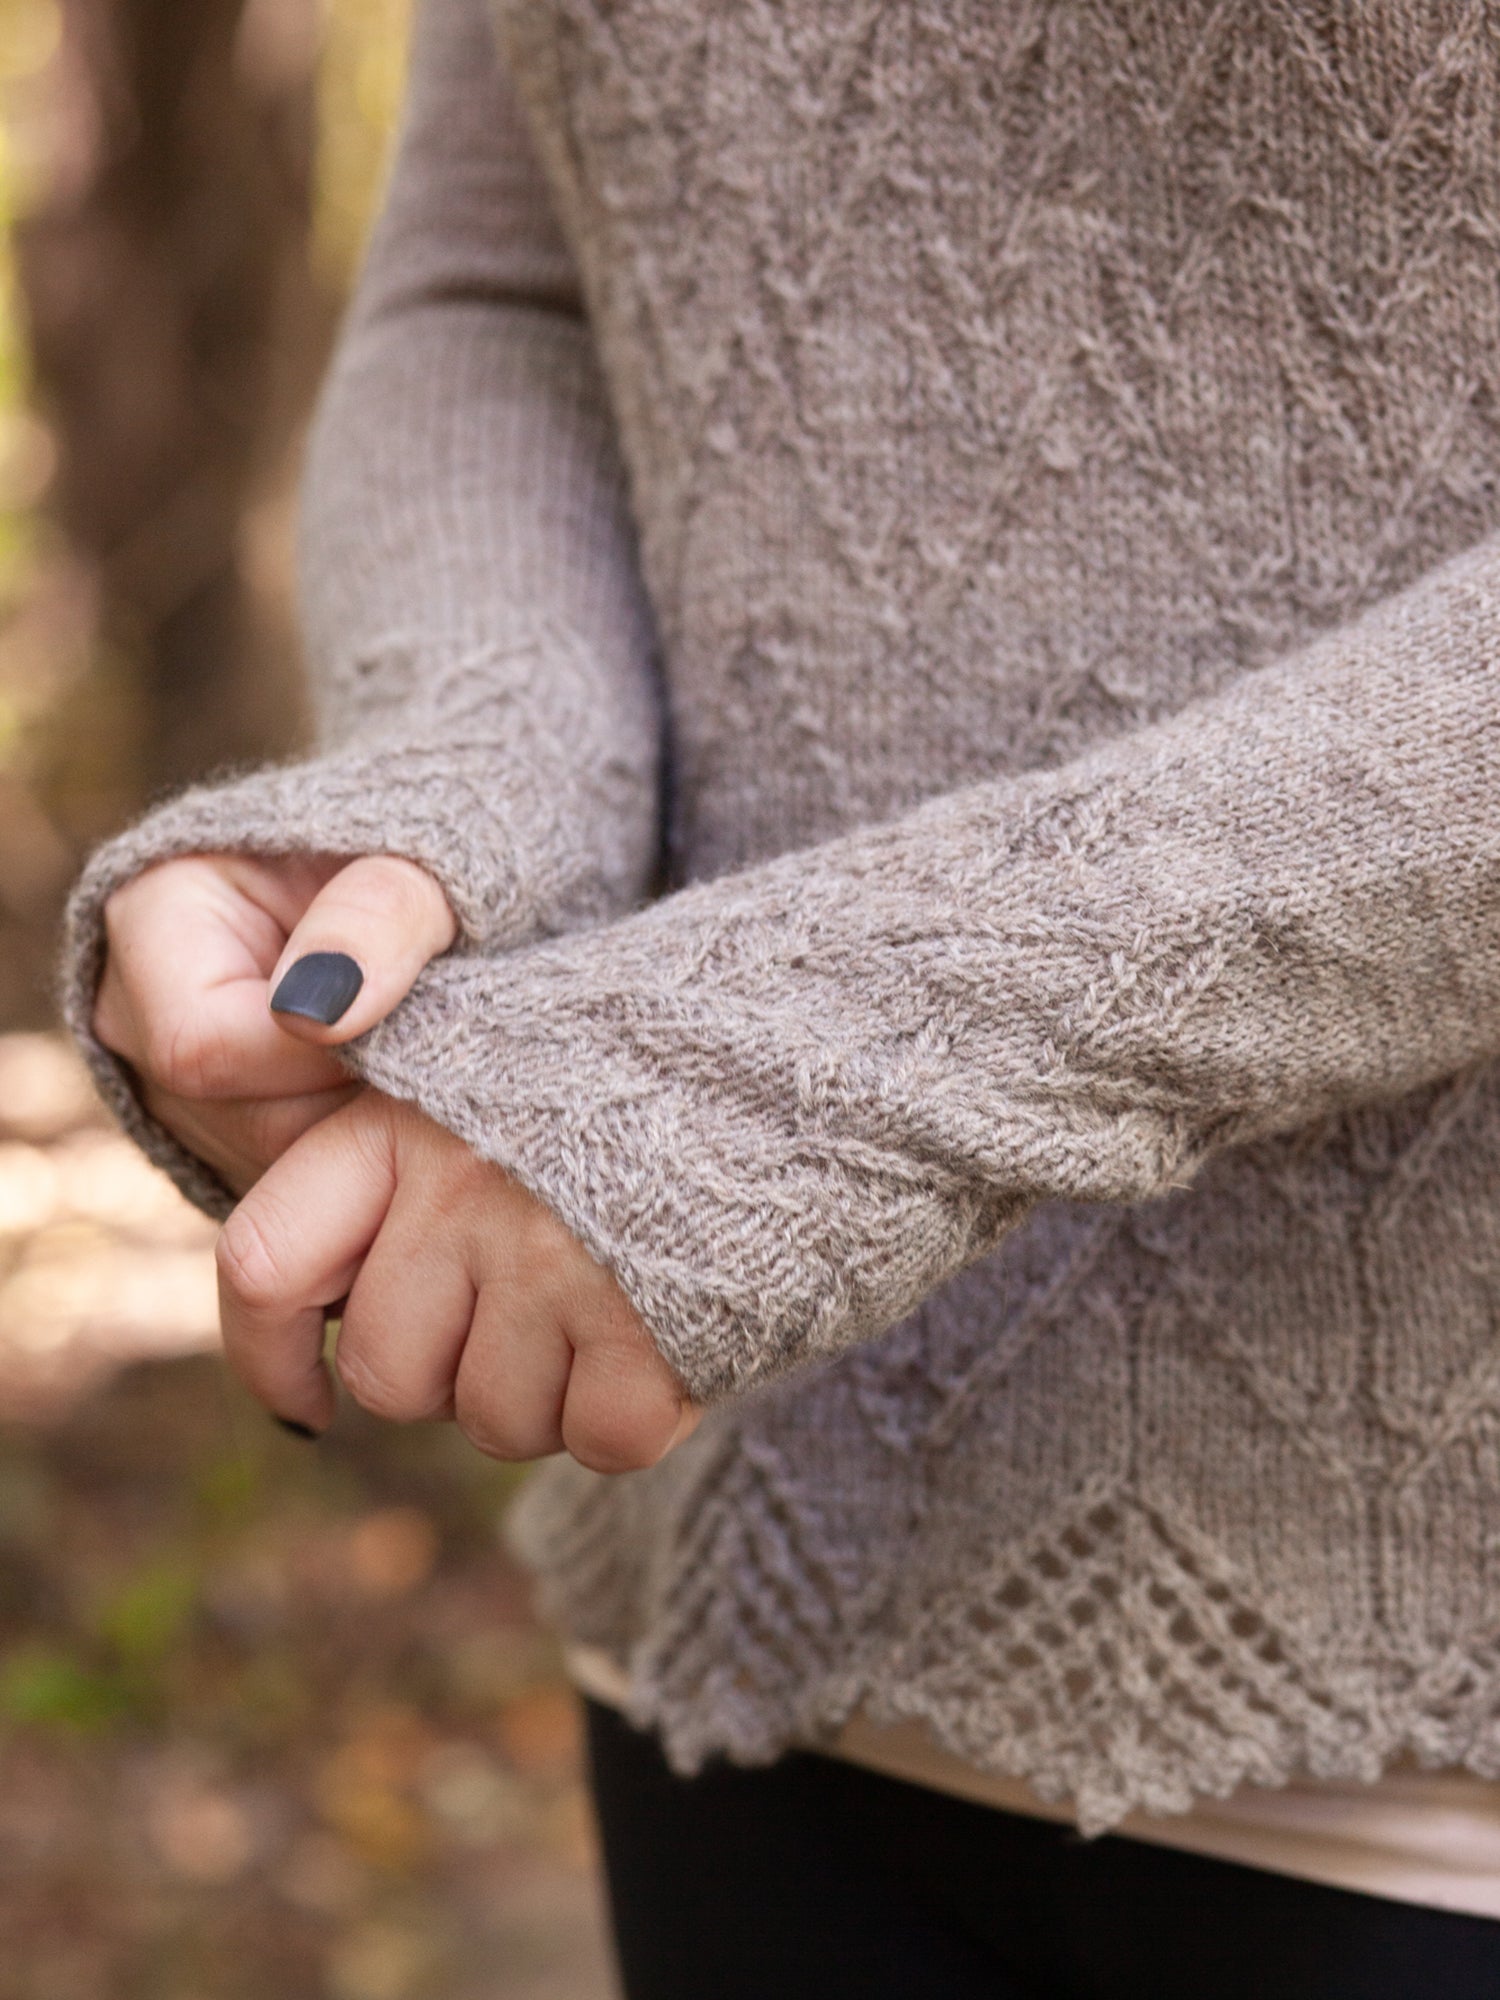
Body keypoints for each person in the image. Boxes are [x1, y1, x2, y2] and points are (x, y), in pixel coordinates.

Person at [62, 0, 1500, 1992]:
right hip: (746, 1618)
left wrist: (774, 1076)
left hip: (1432, 1736)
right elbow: (507, 276)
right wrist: (457, 801)